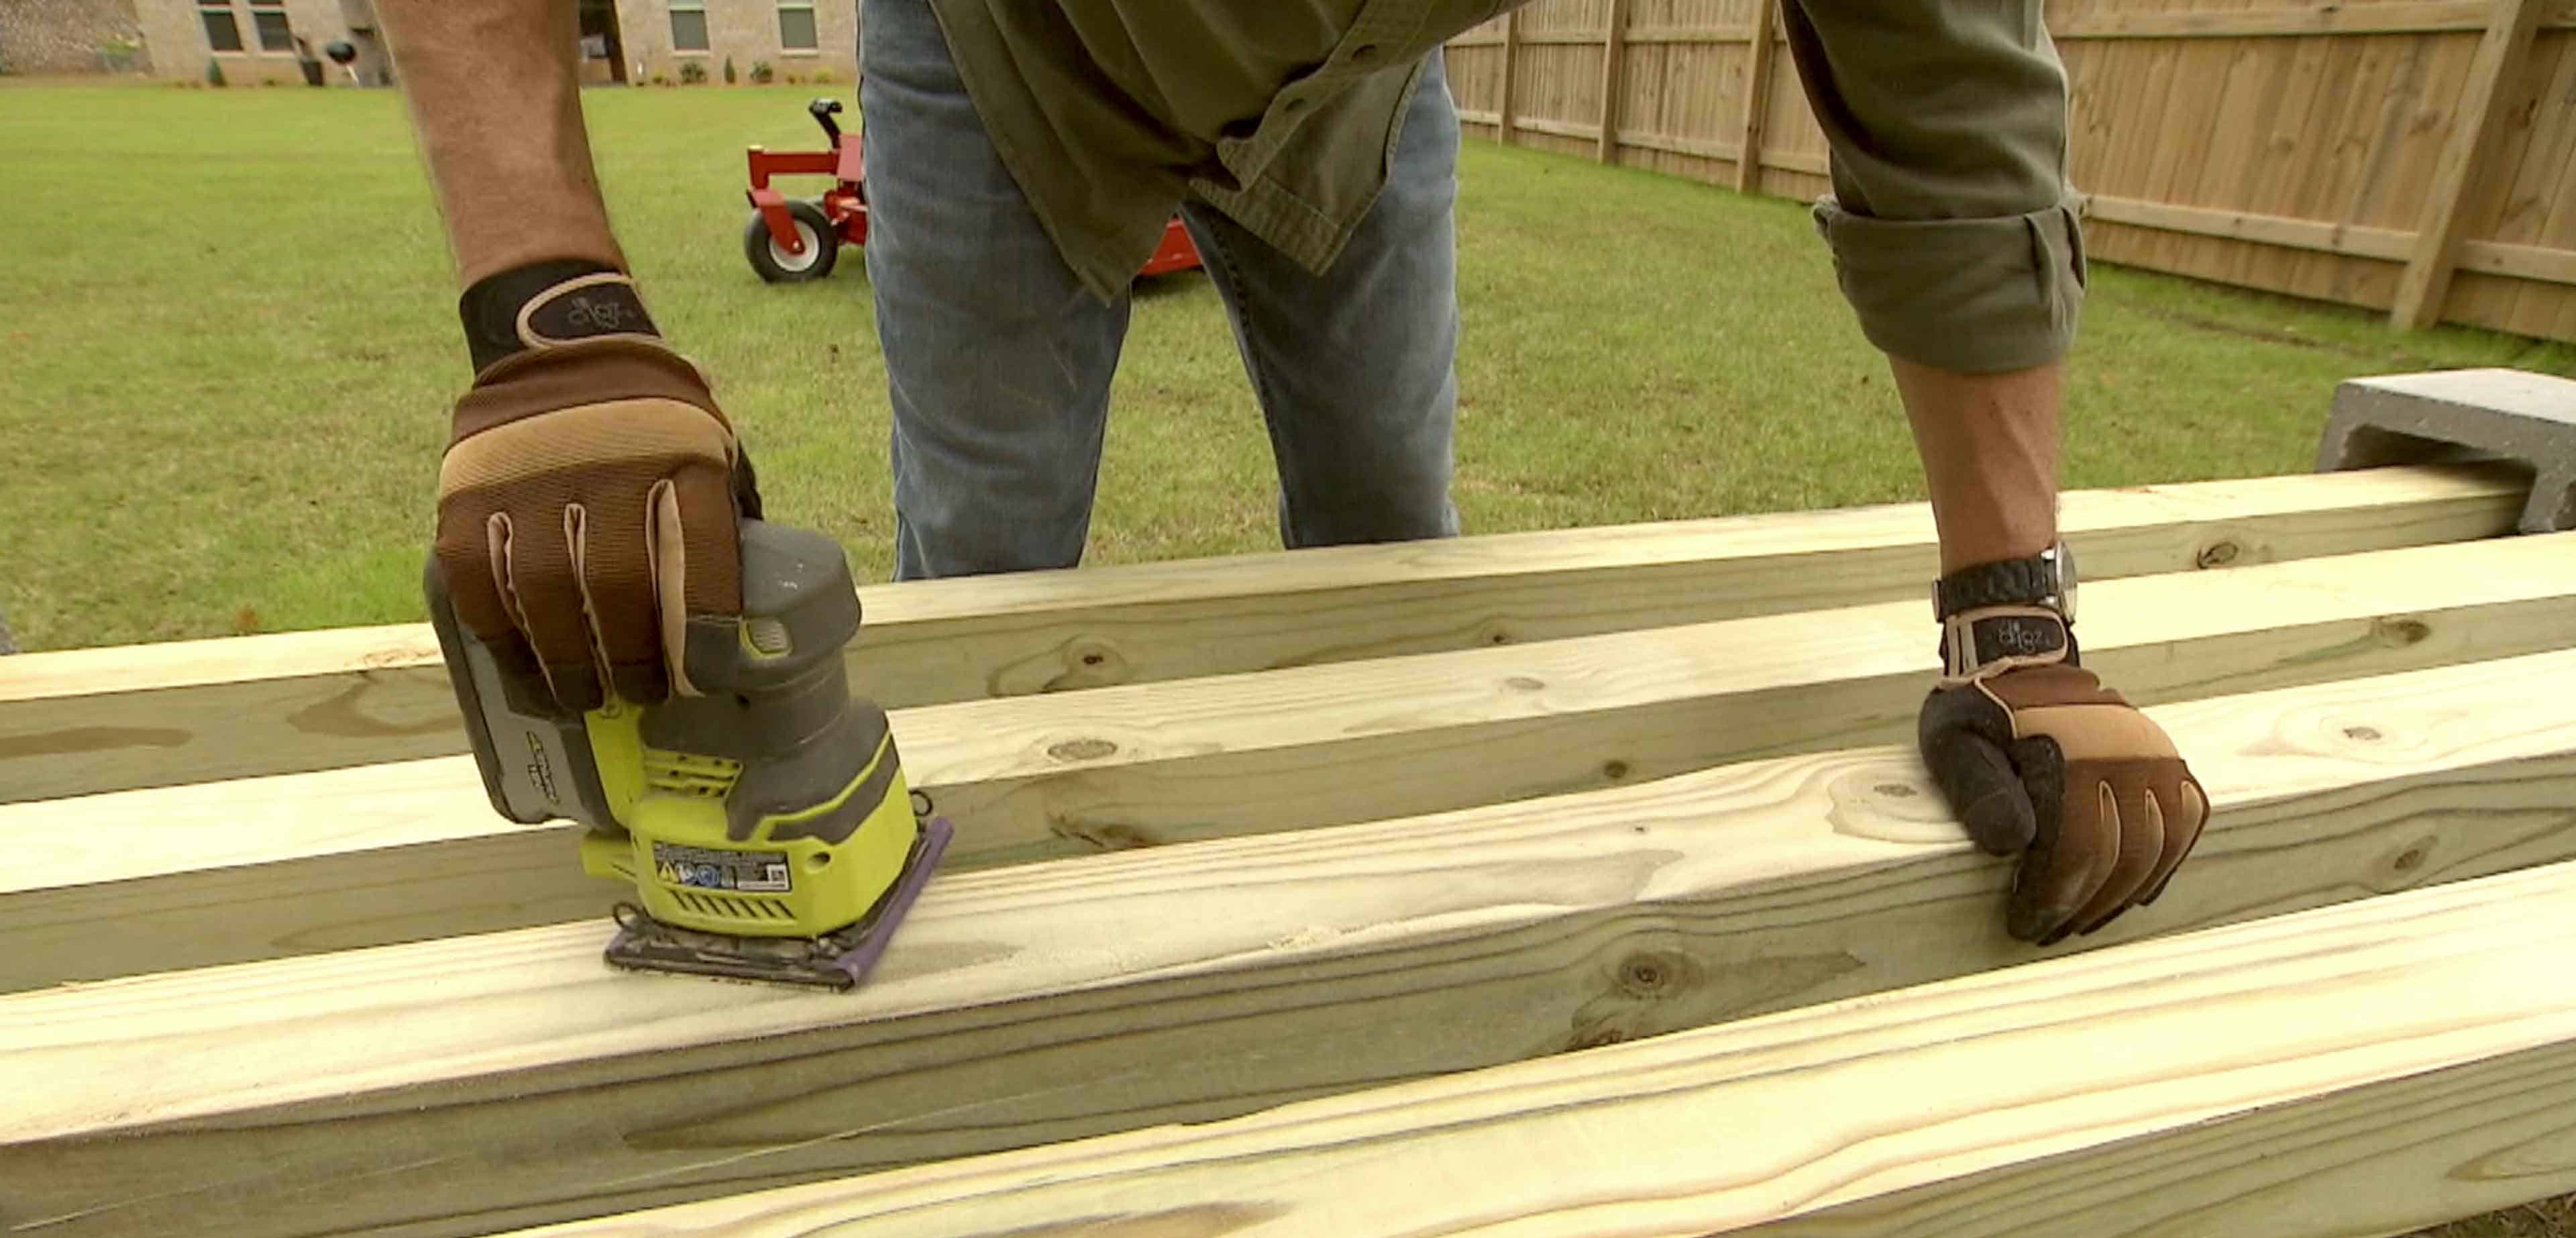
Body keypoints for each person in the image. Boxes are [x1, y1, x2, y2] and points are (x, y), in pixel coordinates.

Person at [376, 0, 2206, 946]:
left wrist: (2012, 613)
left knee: (1393, 540)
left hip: (1352, 87)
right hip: (1001, 52)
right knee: (992, 563)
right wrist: (545, 298)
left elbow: (1956, 115)